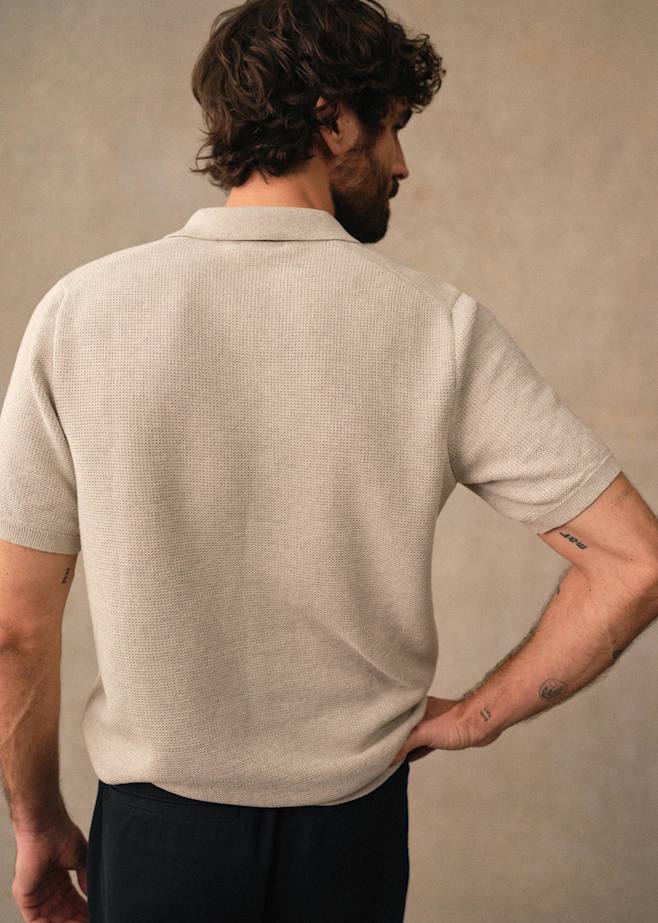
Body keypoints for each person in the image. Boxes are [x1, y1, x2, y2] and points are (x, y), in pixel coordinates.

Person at [1, 1, 657, 921]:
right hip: (350, 837)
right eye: (392, 126)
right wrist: (474, 718)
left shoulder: (82, 314)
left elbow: (15, 628)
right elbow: (635, 561)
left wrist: (36, 824)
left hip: (154, 840)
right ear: (333, 118)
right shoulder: (438, 327)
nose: (402, 164)